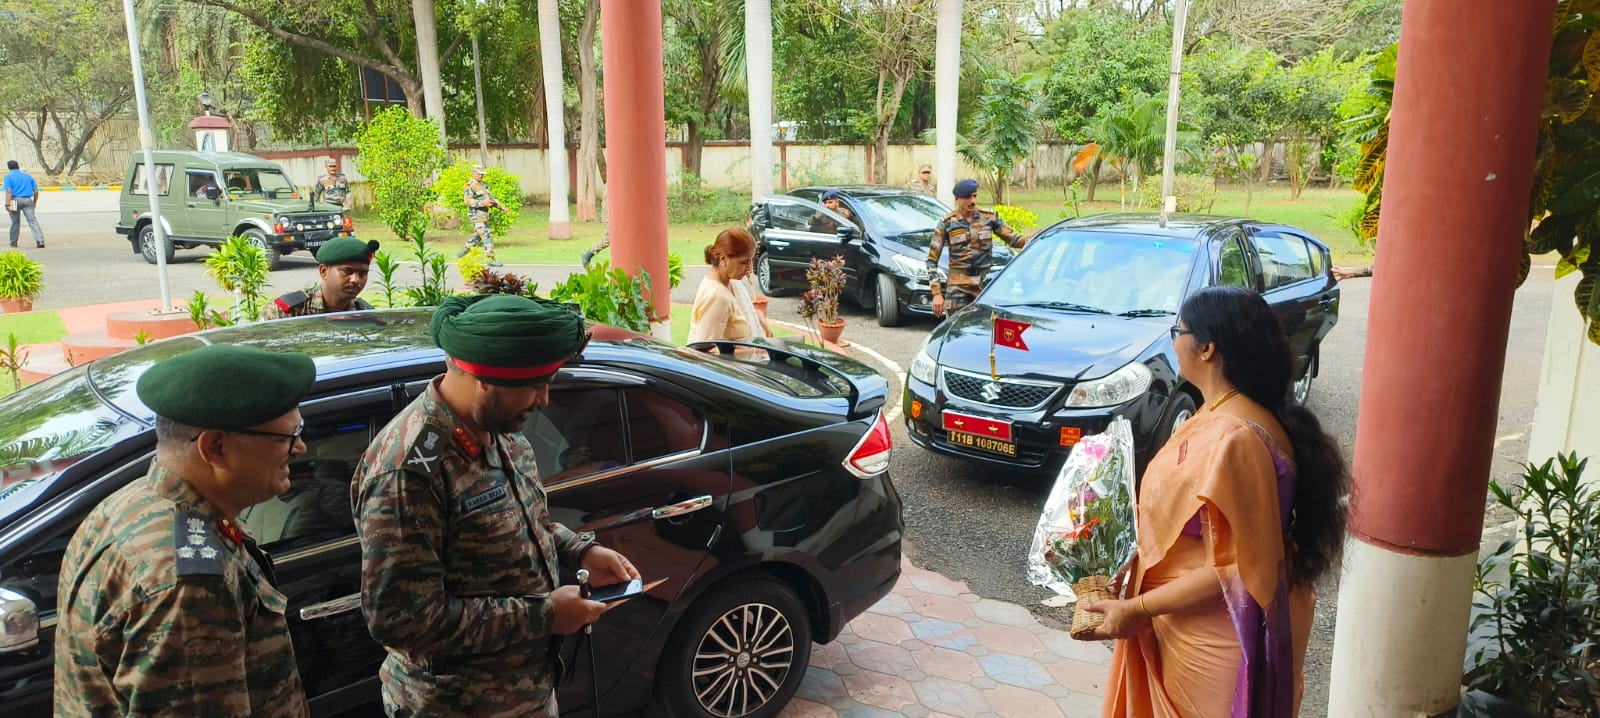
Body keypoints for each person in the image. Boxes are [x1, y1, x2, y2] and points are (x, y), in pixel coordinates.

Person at [352, 294, 640, 717]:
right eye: (533, 386)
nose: (544, 400)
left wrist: (578, 550)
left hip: (526, 693)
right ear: (484, 378)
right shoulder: (409, 470)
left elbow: (516, 519)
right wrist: (544, 616)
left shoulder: (501, 429)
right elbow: (401, 619)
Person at [1083, 285, 1350, 717]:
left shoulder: (1236, 437)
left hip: (1209, 636)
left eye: (1179, 331)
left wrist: (1137, 608)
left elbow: (1239, 568)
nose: (1173, 342)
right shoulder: (1219, 411)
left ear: (1207, 348)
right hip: (1183, 619)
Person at [54, 344, 316, 717]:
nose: (300, 448)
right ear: (216, 447)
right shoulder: (190, 584)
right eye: (287, 436)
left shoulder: (127, 505)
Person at [927, 179, 1028, 318]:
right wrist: (937, 294)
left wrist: (1038, 239)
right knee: (956, 327)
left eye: (974, 196)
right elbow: (931, 261)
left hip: (984, 285)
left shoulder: (988, 217)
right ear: (957, 199)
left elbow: (1014, 239)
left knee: (987, 325)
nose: (972, 201)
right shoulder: (947, 223)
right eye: (967, 197)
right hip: (958, 286)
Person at [688, 227, 772, 345]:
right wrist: (756, 349)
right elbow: (705, 350)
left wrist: (756, 316)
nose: (749, 268)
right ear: (723, 259)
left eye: (751, 261)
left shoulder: (731, 281)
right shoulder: (717, 297)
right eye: (744, 262)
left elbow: (734, 315)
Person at [263, 236, 380, 319]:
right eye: (347, 271)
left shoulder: (365, 315)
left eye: (362, 273)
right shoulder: (286, 312)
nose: (355, 280)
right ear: (324, 271)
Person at [460, 164, 506, 267]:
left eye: (482, 174)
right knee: (486, 234)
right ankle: (491, 259)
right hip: (476, 215)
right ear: (473, 173)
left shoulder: (484, 185)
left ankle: (463, 251)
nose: (481, 176)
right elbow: (467, 201)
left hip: (484, 215)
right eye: (479, 174)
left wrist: (501, 207)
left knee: (478, 236)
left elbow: (490, 199)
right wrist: (482, 203)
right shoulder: (470, 185)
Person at [4, 160, 43, 248]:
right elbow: (36, 191)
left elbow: (9, 191)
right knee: (32, 220)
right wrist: (34, 202)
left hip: (14, 200)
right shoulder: (28, 176)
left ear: (8, 168)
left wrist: (7, 204)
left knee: (15, 221)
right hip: (27, 200)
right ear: (18, 166)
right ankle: (40, 241)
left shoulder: (8, 177)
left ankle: (13, 242)